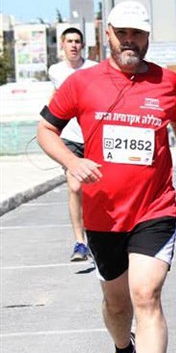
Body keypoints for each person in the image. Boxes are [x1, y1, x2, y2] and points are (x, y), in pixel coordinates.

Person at [37, 0, 176, 353]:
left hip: (154, 208)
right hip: (104, 213)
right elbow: (46, 129)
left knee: (145, 294)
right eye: (123, 33)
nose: (130, 41)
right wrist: (72, 161)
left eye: (138, 34)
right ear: (108, 34)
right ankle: (122, 349)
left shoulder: (168, 82)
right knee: (116, 304)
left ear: (148, 37)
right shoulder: (82, 83)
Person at [48, 27, 97, 262]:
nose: (74, 45)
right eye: (69, 41)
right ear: (62, 45)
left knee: (96, 191)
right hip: (70, 139)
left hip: (94, 136)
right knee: (75, 187)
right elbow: (56, 98)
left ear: (83, 45)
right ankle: (80, 243)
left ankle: (98, 235)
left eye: (78, 41)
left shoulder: (94, 69)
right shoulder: (55, 71)